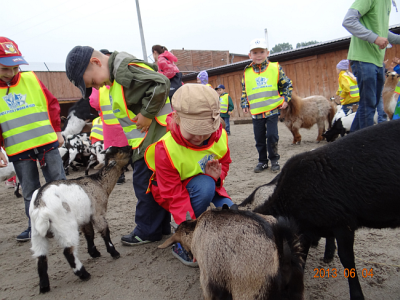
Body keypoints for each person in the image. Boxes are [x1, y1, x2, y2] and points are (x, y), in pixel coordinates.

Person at [65, 46, 172, 246]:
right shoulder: (116, 76)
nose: (96, 88)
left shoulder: (124, 70)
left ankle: (147, 230)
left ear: (96, 63)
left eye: (93, 82)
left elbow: (161, 83)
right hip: (147, 139)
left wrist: (147, 114)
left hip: (154, 138)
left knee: (144, 185)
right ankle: (160, 226)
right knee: (155, 182)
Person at [144, 84, 233, 266]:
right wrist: (189, 232)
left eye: (205, 130)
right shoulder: (165, 148)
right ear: (176, 118)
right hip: (173, 191)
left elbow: (225, 163)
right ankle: (181, 241)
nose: (200, 138)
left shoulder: (220, 135)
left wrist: (217, 176)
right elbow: (173, 194)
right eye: (194, 130)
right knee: (204, 187)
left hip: (205, 182)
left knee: (232, 212)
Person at [0, 37, 66, 241]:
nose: (11, 73)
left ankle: (64, 222)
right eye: (4, 68)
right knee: (29, 191)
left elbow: (52, 103)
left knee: (58, 185)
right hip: (19, 149)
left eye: (15, 67)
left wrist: (57, 131)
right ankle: (36, 227)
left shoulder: (31, 79)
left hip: (47, 142)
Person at [342, 0, 400, 131]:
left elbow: (384, 33)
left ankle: (354, 141)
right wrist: (374, 38)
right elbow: (348, 21)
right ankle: (366, 146)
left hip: (377, 61)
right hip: (363, 59)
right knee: (368, 105)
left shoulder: (387, 3)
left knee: (369, 105)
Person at [241, 38, 293, 173]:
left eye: (262, 52)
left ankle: (274, 159)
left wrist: (286, 99)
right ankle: (262, 161)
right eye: (255, 52)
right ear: (250, 55)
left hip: (272, 109)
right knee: (259, 138)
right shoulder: (246, 72)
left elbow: (286, 85)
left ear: (267, 53)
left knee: (271, 135)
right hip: (256, 111)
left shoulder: (275, 68)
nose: (258, 55)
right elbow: (245, 90)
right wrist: (244, 102)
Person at [88, 48, 129, 184]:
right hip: (124, 123)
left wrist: (100, 109)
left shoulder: (97, 85)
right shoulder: (117, 78)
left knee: (112, 153)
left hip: (109, 126)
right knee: (128, 149)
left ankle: (119, 176)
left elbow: (93, 102)